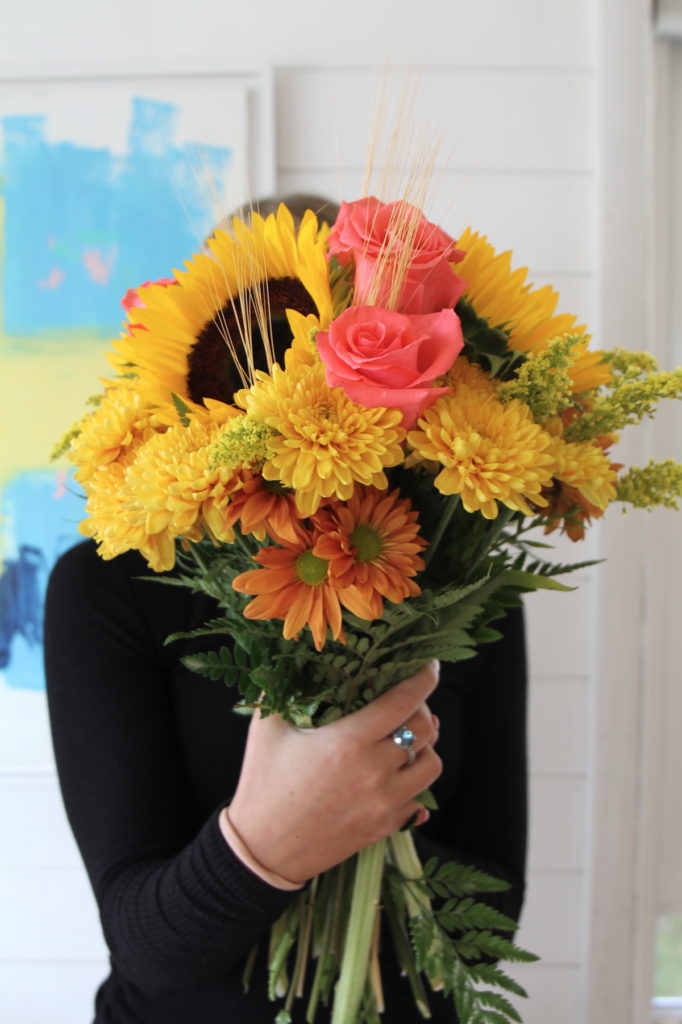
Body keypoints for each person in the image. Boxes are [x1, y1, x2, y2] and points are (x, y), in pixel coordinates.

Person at [44, 195, 528, 1023]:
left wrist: (366, 807)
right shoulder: (109, 584)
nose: (288, 388)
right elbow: (144, 946)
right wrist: (276, 837)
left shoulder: (458, 568)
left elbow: (489, 924)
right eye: (260, 356)